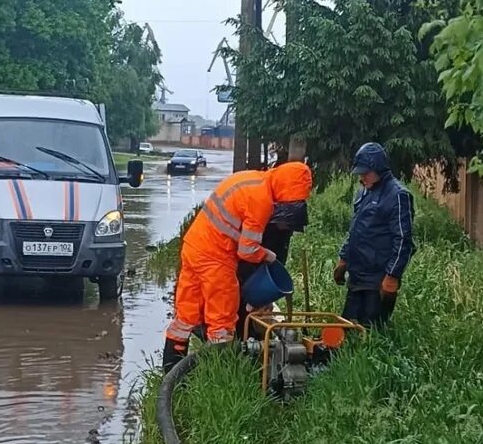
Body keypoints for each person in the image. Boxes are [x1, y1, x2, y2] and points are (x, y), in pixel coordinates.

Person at [163, 161, 314, 368]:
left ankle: (171, 372)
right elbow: (247, 251)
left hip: (193, 247)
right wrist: (268, 255)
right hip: (215, 258)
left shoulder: (252, 179)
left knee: (185, 317)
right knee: (222, 323)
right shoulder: (262, 201)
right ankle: (221, 375)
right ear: (287, 193)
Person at [334, 142, 415, 328]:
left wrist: (392, 276)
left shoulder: (398, 195)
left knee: (371, 332)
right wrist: (343, 260)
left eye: (365, 173)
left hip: (377, 278)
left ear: (378, 168)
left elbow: (403, 240)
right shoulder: (363, 193)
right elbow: (355, 230)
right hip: (357, 275)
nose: (362, 178)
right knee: (346, 330)